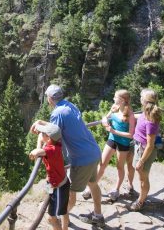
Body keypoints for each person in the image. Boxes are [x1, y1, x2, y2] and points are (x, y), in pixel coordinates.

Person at [31, 84, 104, 227]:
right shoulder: (69, 105)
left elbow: (54, 136)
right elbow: (57, 130)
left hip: (82, 159)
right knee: (93, 184)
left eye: (47, 97)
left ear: (50, 99)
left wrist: (40, 141)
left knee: (70, 193)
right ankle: (98, 215)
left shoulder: (57, 113)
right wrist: (41, 123)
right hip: (93, 151)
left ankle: (58, 216)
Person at [82, 89, 137, 201]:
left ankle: (116, 189)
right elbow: (105, 118)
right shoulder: (115, 108)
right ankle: (91, 188)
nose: (113, 98)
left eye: (115, 97)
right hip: (112, 140)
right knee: (102, 164)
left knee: (119, 167)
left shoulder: (130, 115)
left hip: (123, 143)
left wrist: (113, 131)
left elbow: (131, 135)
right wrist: (105, 120)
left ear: (121, 100)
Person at [29, 122, 70, 230]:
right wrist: (40, 132)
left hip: (59, 187)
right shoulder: (56, 142)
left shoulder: (50, 150)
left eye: (43, 133)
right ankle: (48, 202)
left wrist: (34, 152)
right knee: (62, 209)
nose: (40, 134)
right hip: (55, 181)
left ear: (48, 137)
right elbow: (42, 141)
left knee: (51, 218)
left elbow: (36, 152)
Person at [130, 88, 162, 211]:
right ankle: (141, 197)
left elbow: (150, 145)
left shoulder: (151, 120)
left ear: (145, 101)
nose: (140, 99)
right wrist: (129, 115)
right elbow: (140, 117)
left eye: (141, 97)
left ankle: (140, 201)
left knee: (143, 178)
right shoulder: (146, 112)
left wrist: (141, 161)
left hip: (144, 151)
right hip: (140, 147)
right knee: (141, 176)